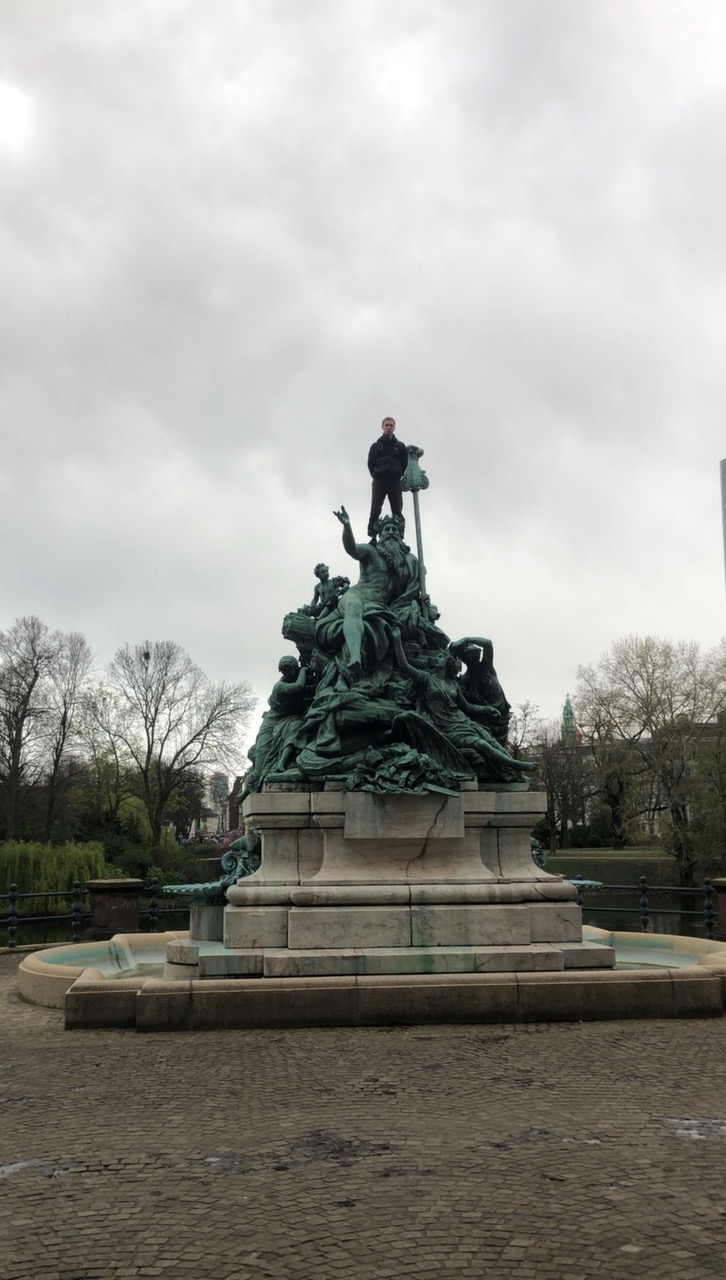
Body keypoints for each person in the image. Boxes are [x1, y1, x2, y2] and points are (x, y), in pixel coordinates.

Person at [367, 416, 409, 539]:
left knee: (397, 510)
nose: (389, 427)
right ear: (382, 427)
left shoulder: (400, 446)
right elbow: (370, 463)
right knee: (375, 509)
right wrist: (376, 473)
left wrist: (397, 473)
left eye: (391, 425)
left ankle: (399, 535)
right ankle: (373, 536)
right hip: (380, 480)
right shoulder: (376, 446)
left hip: (394, 481)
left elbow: (404, 462)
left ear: (394, 427)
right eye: (387, 425)